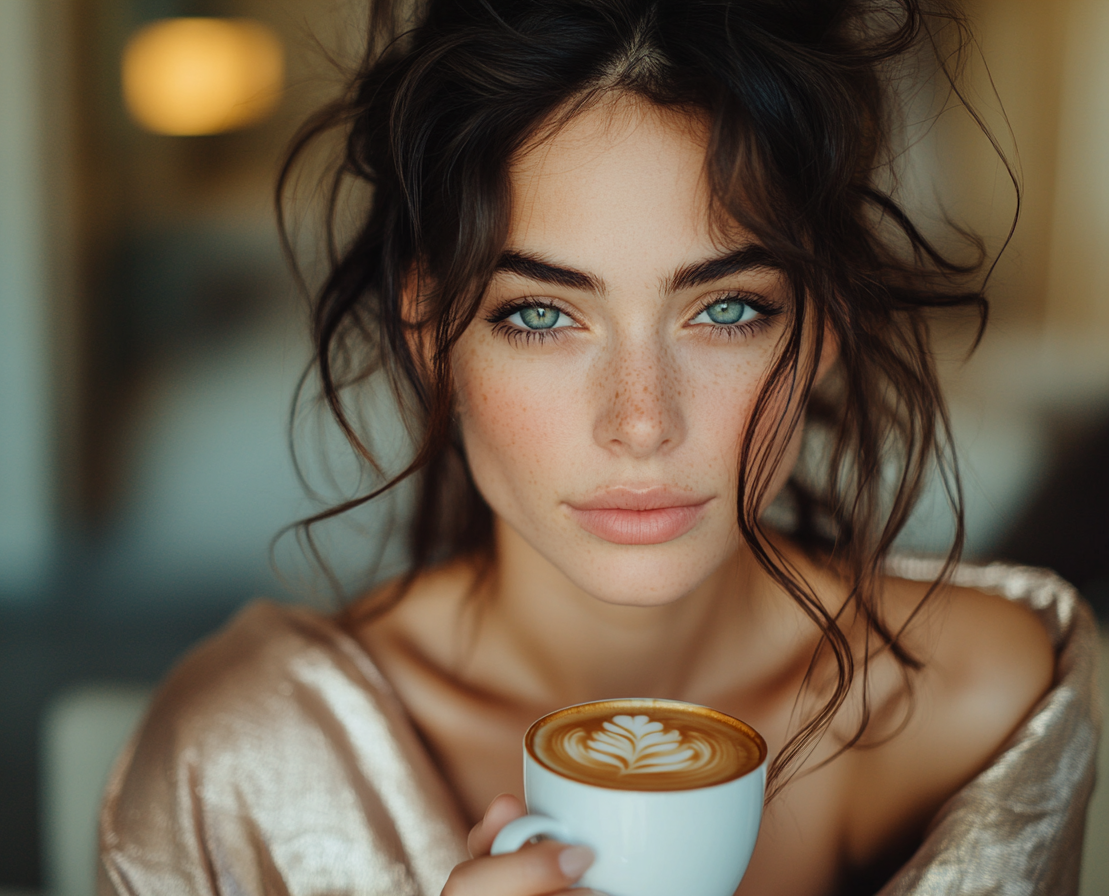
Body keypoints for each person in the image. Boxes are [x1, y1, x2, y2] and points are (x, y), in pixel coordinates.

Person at [98, 0, 1101, 894]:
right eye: (540, 315)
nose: (639, 419)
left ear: (824, 328)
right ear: (429, 338)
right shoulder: (238, 768)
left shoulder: (985, 706)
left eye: (728, 309)